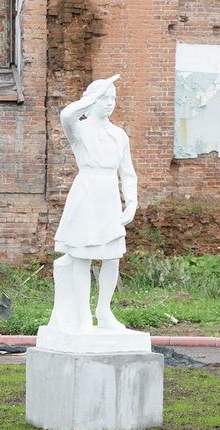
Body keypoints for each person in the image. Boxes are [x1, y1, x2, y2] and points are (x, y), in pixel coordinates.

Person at [50, 74, 138, 333]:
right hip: (86, 191)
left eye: (112, 98)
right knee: (82, 256)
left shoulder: (119, 135)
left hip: (109, 195)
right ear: (93, 100)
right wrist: (89, 98)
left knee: (112, 257)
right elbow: (66, 115)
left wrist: (131, 202)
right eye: (104, 98)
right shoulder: (79, 129)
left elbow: (128, 172)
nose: (109, 103)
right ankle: (83, 315)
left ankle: (104, 310)